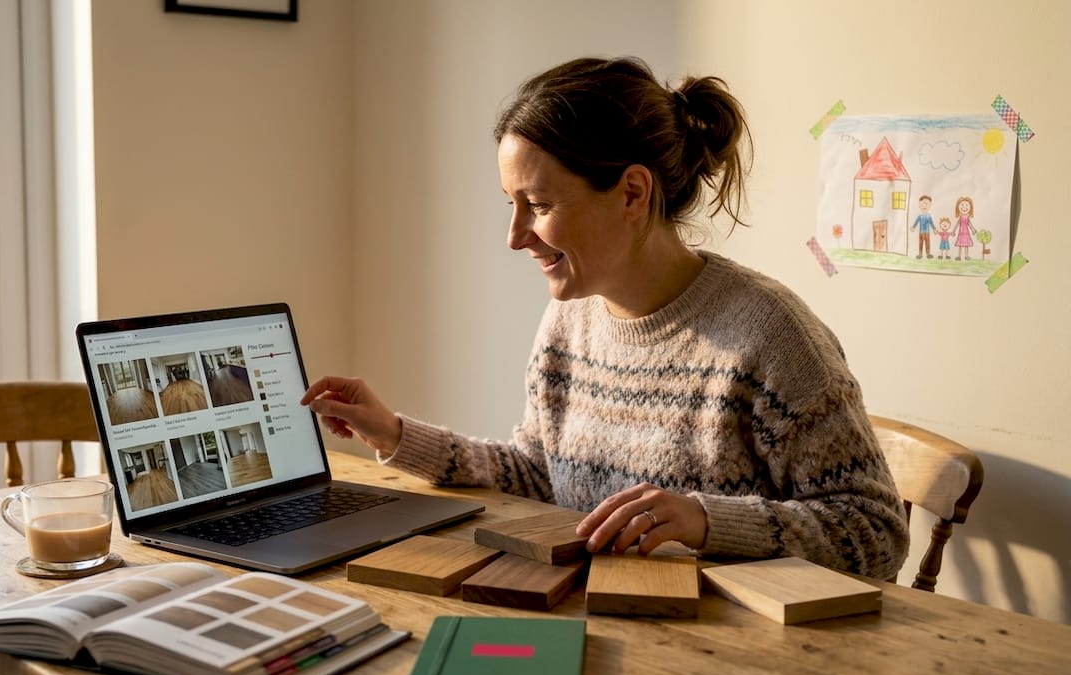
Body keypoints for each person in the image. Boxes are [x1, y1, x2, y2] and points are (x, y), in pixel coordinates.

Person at [301, 57, 909, 580]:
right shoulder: (570, 322)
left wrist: (703, 521)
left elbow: (876, 535)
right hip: (599, 628)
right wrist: (396, 436)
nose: (515, 237)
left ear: (632, 193)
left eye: (537, 205)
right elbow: (540, 475)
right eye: (511, 205)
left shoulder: (771, 337)